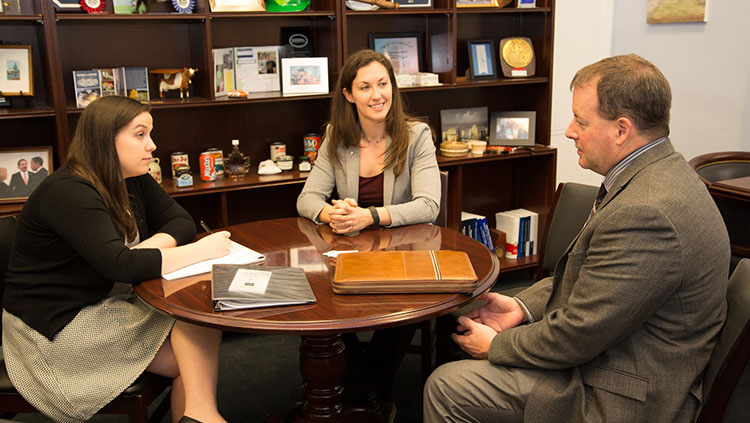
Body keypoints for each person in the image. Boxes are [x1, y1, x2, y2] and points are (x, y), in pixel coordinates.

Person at [424, 54, 731, 422]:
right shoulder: (661, 173)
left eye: (580, 121)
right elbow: (593, 282)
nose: (569, 130)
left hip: (622, 392)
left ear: (622, 129)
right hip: (619, 350)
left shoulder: (648, 213)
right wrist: (521, 308)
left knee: (446, 387)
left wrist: (498, 345)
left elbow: (580, 334)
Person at [2, 96, 232, 423]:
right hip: (59, 323)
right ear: (105, 139)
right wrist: (198, 251)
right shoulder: (68, 191)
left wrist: (146, 249)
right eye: (140, 135)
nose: (152, 145)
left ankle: (199, 414)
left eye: (150, 134)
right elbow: (119, 266)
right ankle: (201, 414)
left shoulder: (131, 176)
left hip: (109, 298)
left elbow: (180, 221)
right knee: (192, 360)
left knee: (200, 318)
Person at [296, 49, 441, 416]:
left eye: (383, 83)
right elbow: (306, 198)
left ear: (393, 86)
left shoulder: (416, 135)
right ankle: (373, 399)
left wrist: (370, 216)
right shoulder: (336, 136)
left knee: (402, 313)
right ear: (348, 95)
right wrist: (334, 213)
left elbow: (428, 206)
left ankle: (360, 397)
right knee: (319, 302)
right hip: (349, 254)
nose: (377, 95)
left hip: (406, 256)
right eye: (364, 87)